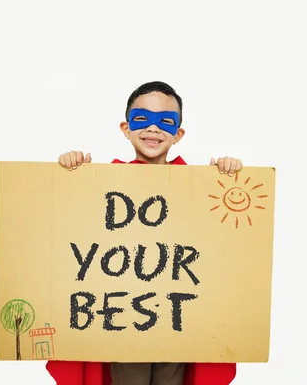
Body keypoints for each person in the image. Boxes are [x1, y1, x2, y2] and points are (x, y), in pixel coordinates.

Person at [47, 81, 241, 385]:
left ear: (178, 134)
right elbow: (71, 223)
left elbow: (223, 239)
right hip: (122, 317)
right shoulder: (102, 184)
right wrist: (73, 173)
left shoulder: (199, 187)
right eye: (142, 119)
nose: (153, 129)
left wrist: (228, 177)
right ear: (126, 128)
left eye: (165, 121)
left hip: (177, 318)